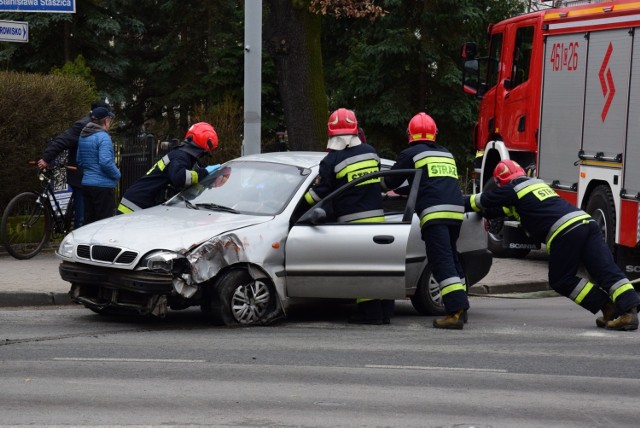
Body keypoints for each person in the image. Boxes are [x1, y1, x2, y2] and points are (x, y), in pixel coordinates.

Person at [466, 159, 639, 331]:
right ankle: (629, 311)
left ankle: (607, 306)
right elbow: (499, 210)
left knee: (561, 280)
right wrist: (486, 213)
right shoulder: (535, 186)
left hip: (565, 231)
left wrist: (448, 203)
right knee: (604, 269)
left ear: (500, 182)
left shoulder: (512, 189)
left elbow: (477, 201)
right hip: (586, 222)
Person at [303, 108, 393, 325]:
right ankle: (385, 312)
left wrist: (301, 206)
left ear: (331, 133)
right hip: (380, 223)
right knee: (381, 268)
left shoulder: (331, 160)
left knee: (362, 270)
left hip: (353, 225)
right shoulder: (371, 152)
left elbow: (320, 193)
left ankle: (370, 314)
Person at [382, 112, 469, 329]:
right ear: (434, 134)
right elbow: (433, 182)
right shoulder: (445, 154)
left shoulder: (411, 153)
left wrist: (374, 187)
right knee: (452, 258)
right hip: (456, 212)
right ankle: (462, 307)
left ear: (410, 134)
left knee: (441, 261)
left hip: (435, 214)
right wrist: (407, 191)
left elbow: (390, 181)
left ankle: (455, 313)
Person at [37, 99, 111, 229]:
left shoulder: (96, 127)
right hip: (81, 176)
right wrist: (46, 159)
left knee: (90, 215)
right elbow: (62, 140)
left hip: (90, 178)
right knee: (82, 219)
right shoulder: (83, 125)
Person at [117, 122, 220, 214]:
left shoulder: (183, 156)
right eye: (203, 154)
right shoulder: (180, 156)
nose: (201, 156)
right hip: (136, 205)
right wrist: (205, 172)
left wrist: (211, 179)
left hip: (140, 202)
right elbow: (180, 177)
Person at [76, 106, 121, 224]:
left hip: (87, 184)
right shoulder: (103, 137)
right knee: (103, 224)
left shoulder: (83, 136)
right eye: (110, 120)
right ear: (106, 121)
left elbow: (79, 160)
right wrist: (117, 174)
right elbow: (105, 162)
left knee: (89, 223)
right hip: (103, 187)